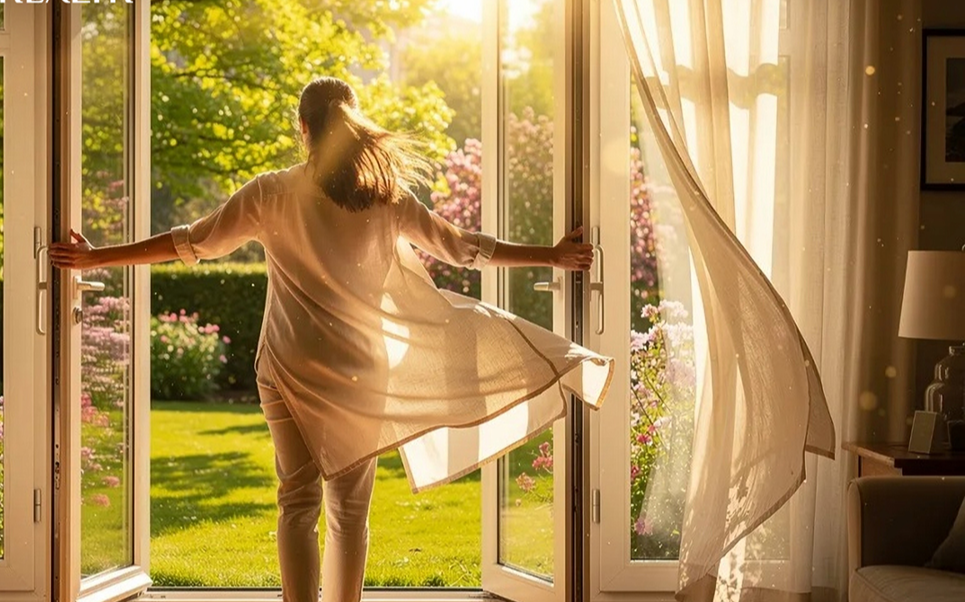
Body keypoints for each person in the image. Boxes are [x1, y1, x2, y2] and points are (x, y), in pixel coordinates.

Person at [50, 77, 612, 602]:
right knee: (349, 510)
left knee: (296, 503)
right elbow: (462, 246)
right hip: (360, 372)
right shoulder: (387, 199)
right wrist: (551, 254)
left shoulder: (271, 192)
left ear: (304, 128)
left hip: (286, 365)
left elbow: (190, 243)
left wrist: (97, 256)